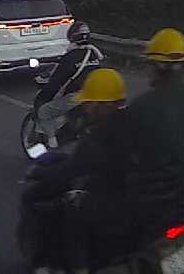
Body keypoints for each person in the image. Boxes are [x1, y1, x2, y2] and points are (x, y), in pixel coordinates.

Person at [23, 68, 133, 274]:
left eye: (90, 103)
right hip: (139, 196)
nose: (86, 108)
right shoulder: (134, 121)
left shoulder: (99, 136)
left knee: (70, 216)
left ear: (105, 104)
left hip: (113, 202)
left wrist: (38, 173)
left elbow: (69, 172)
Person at [120, 27, 184, 247]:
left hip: (145, 196)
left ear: (156, 66)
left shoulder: (143, 105)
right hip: (179, 191)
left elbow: (124, 147)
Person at [34, 21, 104, 148]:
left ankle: (52, 143)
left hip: (78, 97)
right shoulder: (94, 54)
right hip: (98, 95)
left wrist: (43, 96)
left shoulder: (70, 57)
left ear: (72, 37)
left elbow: (56, 83)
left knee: (44, 112)